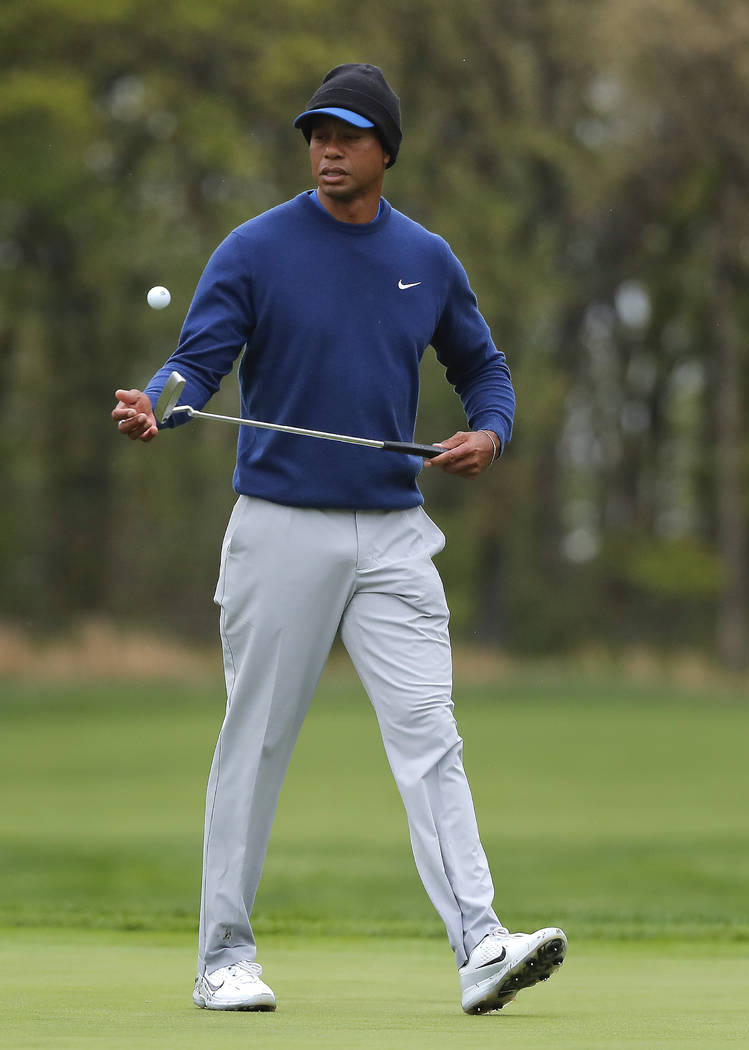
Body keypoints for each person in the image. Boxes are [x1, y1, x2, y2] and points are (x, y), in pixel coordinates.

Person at [112, 63, 566, 1015]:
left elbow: (483, 366)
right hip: (279, 529)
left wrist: (490, 431)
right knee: (257, 742)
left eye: (349, 134)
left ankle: (482, 943)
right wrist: (160, 406)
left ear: (385, 149)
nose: (327, 148)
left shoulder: (428, 258)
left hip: (396, 532)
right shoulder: (255, 249)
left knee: (430, 739)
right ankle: (223, 958)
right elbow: (195, 365)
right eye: (317, 133)